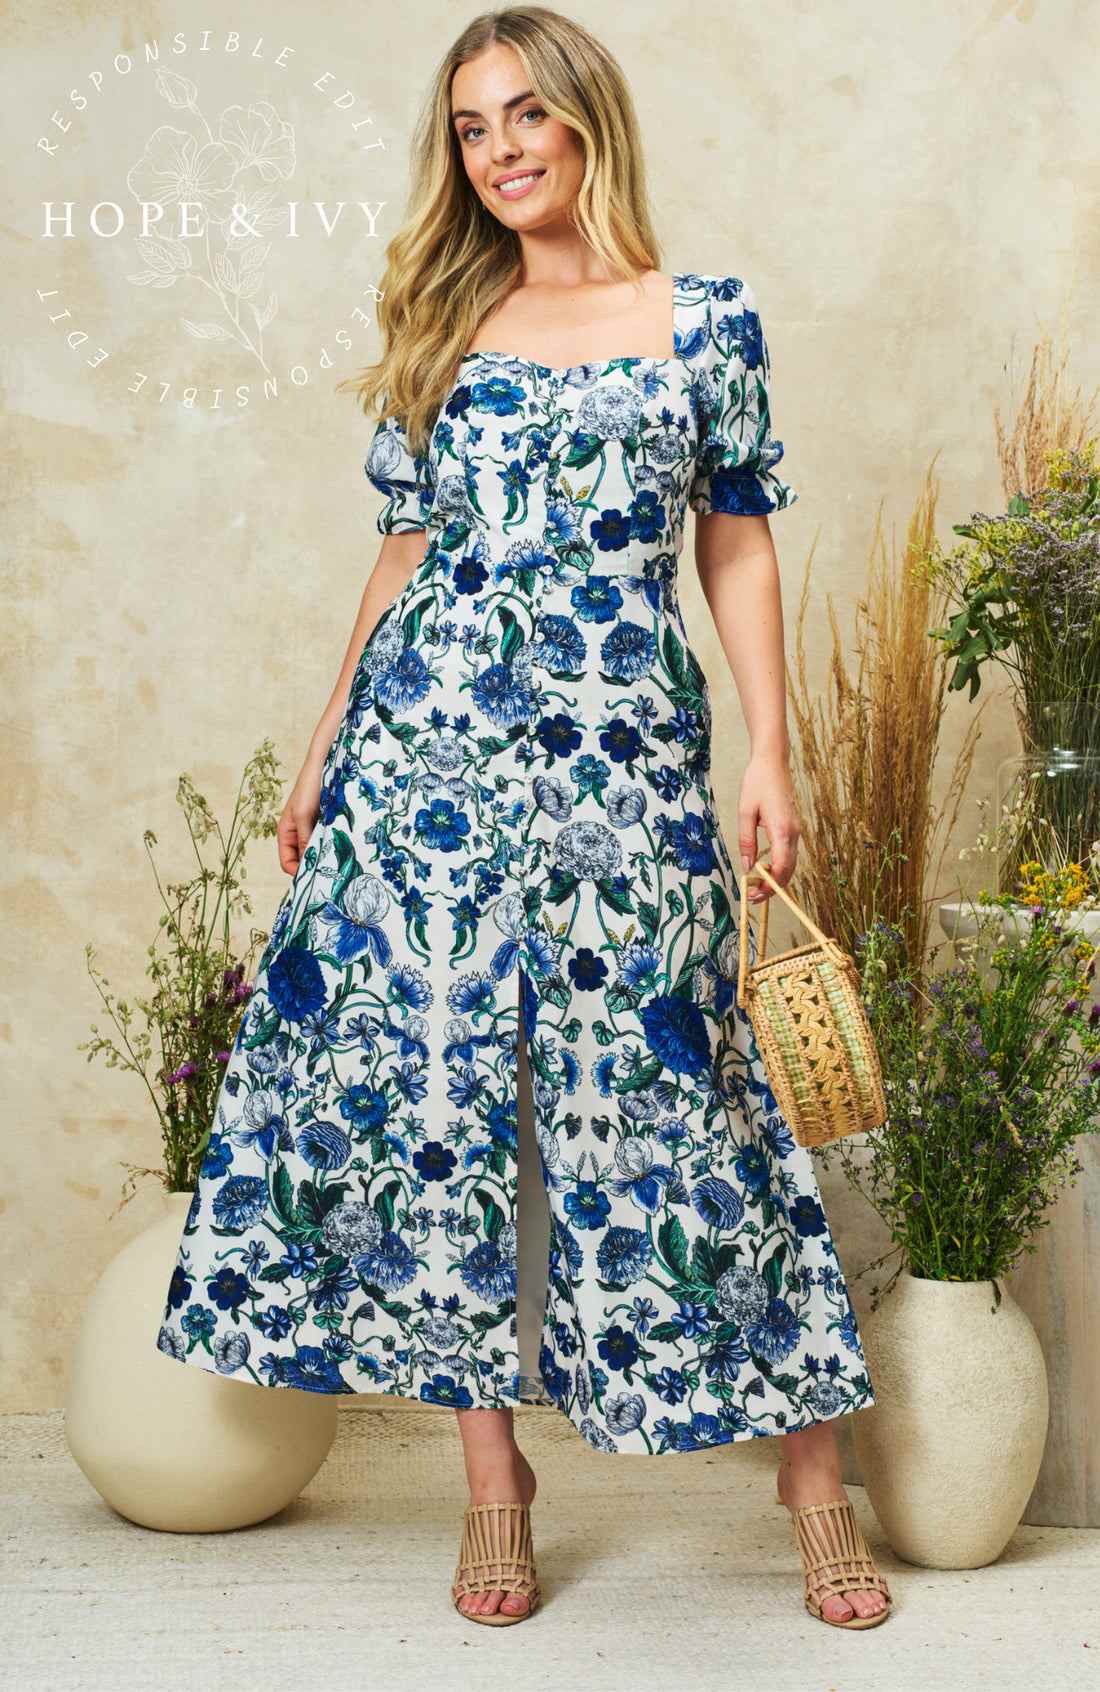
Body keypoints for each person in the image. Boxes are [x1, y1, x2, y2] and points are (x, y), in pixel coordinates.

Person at [156, 4, 892, 1634]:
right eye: (470, 127)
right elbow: (407, 550)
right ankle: (495, 1486)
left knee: (683, 1091)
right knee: (444, 1107)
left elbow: (737, 536)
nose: (499, 152)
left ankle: (815, 1484)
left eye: (523, 116)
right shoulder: (447, 322)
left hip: (625, 755)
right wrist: (322, 742)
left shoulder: (703, 319)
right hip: (424, 767)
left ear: (585, 120)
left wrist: (772, 748)